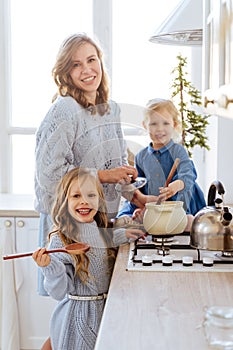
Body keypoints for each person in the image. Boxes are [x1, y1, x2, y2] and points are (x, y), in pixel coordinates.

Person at [34, 33, 157, 295]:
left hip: (100, 220)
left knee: (93, 302)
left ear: (101, 63)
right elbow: (50, 173)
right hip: (69, 223)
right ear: (65, 72)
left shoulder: (111, 108)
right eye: (76, 64)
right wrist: (105, 176)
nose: (87, 69)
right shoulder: (64, 110)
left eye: (91, 60)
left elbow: (118, 164)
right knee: (72, 302)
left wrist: (135, 196)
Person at [33, 167, 145, 350]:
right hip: (80, 318)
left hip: (104, 310)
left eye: (91, 195)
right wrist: (50, 267)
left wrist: (124, 234)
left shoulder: (99, 229)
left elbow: (99, 240)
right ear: (64, 201)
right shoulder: (60, 239)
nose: (84, 201)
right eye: (76, 196)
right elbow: (58, 292)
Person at [116, 98, 206, 229]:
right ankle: (139, 216)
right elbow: (139, 184)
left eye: (165, 123)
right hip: (153, 202)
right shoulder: (141, 156)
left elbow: (188, 174)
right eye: (153, 124)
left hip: (177, 200)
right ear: (144, 126)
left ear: (174, 125)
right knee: (131, 213)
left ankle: (181, 220)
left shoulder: (178, 151)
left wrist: (176, 186)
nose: (159, 129)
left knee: (186, 219)